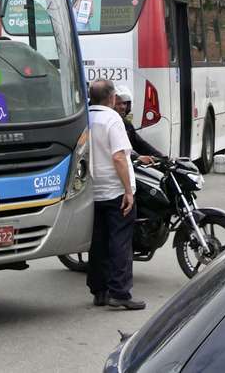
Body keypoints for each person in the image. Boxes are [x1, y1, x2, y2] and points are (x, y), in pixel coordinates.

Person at [87, 79, 146, 310]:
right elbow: (119, 157)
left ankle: (99, 290)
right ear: (112, 98)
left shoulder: (85, 116)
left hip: (92, 190)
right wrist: (129, 191)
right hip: (115, 190)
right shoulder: (113, 119)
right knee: (120, 241)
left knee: (98, 241)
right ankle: (120, 292)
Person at [113, 85, 165, 165]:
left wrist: (161, 157)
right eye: (118, 104)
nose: (123, 107)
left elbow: (140, 144)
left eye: (124, 103)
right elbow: (117, 150)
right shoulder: (109, 124)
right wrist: (137, 157)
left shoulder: (126, 124)